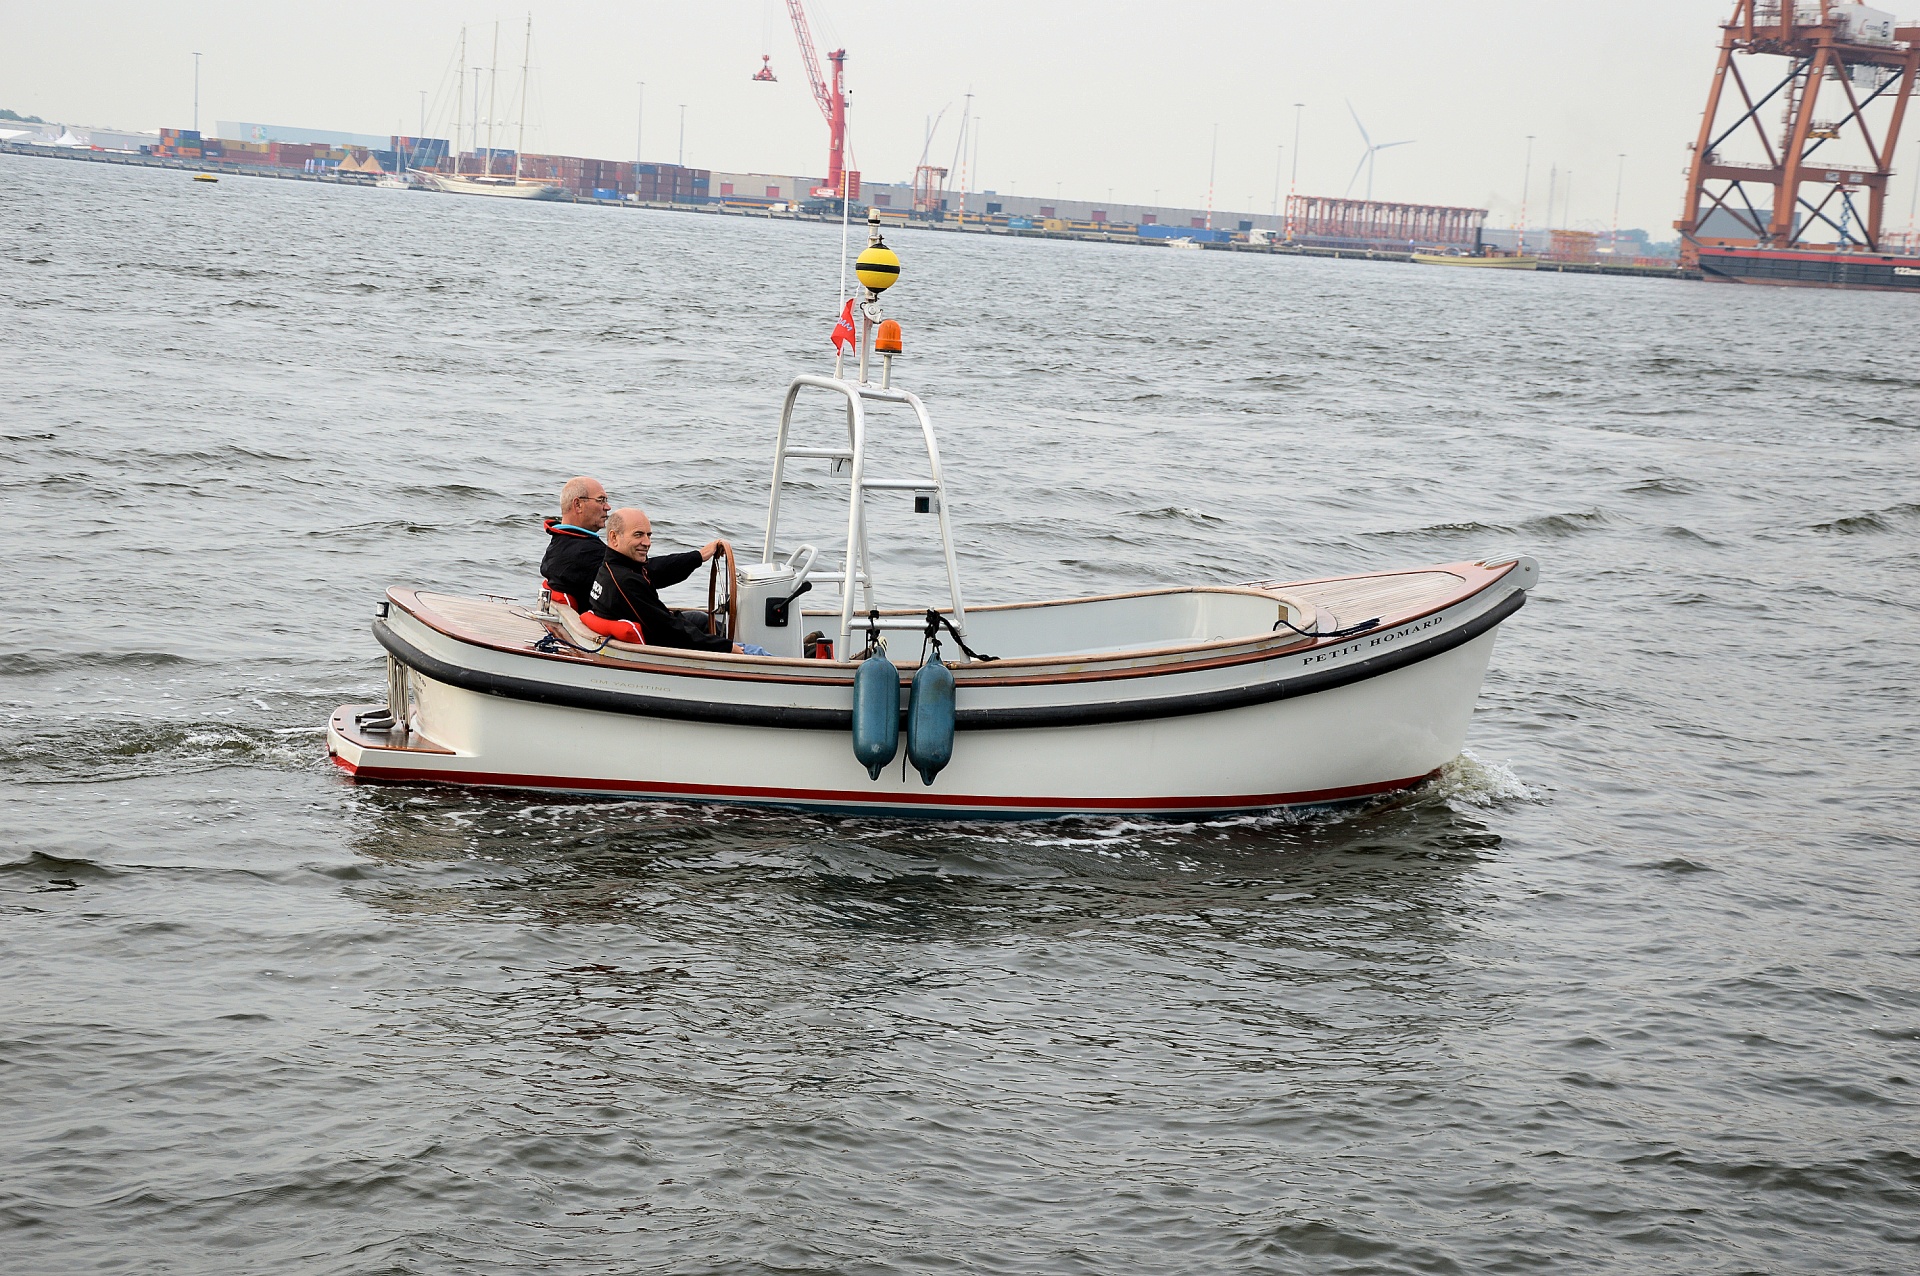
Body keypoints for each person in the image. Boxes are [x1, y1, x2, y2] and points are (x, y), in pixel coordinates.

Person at [584, 507, 767, 654]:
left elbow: (659, 568)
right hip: (664, 644)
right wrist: (726, 647)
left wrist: (699, 556)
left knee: (699, 619)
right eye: (638, 535)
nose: (647, 542)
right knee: (756, 652)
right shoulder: (626, 582)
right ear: (614, 537)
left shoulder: (613, 568)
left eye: (649, 535)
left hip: (662, 630)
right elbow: (668, 631)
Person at [540, 476, 610, 608]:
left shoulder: (559, 542)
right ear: (578, 505)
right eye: (601, 500)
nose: (607, 507)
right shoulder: (588, 552)